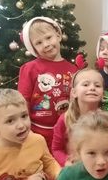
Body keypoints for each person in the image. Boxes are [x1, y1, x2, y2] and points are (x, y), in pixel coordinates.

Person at [18, 17, 78, 149]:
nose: (46, 44)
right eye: (39, 42)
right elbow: (23, 101)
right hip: (37, 132)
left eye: (49, 37)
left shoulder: (73, 70)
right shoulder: (29, 69)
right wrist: (26, 128)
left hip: (67, 132)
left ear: (58, 35)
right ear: (33, 48)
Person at [52, 69, 103, 166]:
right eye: (86, 84)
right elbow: (56, 149)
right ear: (74, 92)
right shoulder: (65, 119)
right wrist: (66, 162)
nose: (92, 88)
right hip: (74, 168)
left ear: (103, 94)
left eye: (97, 85)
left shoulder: (106, 120)